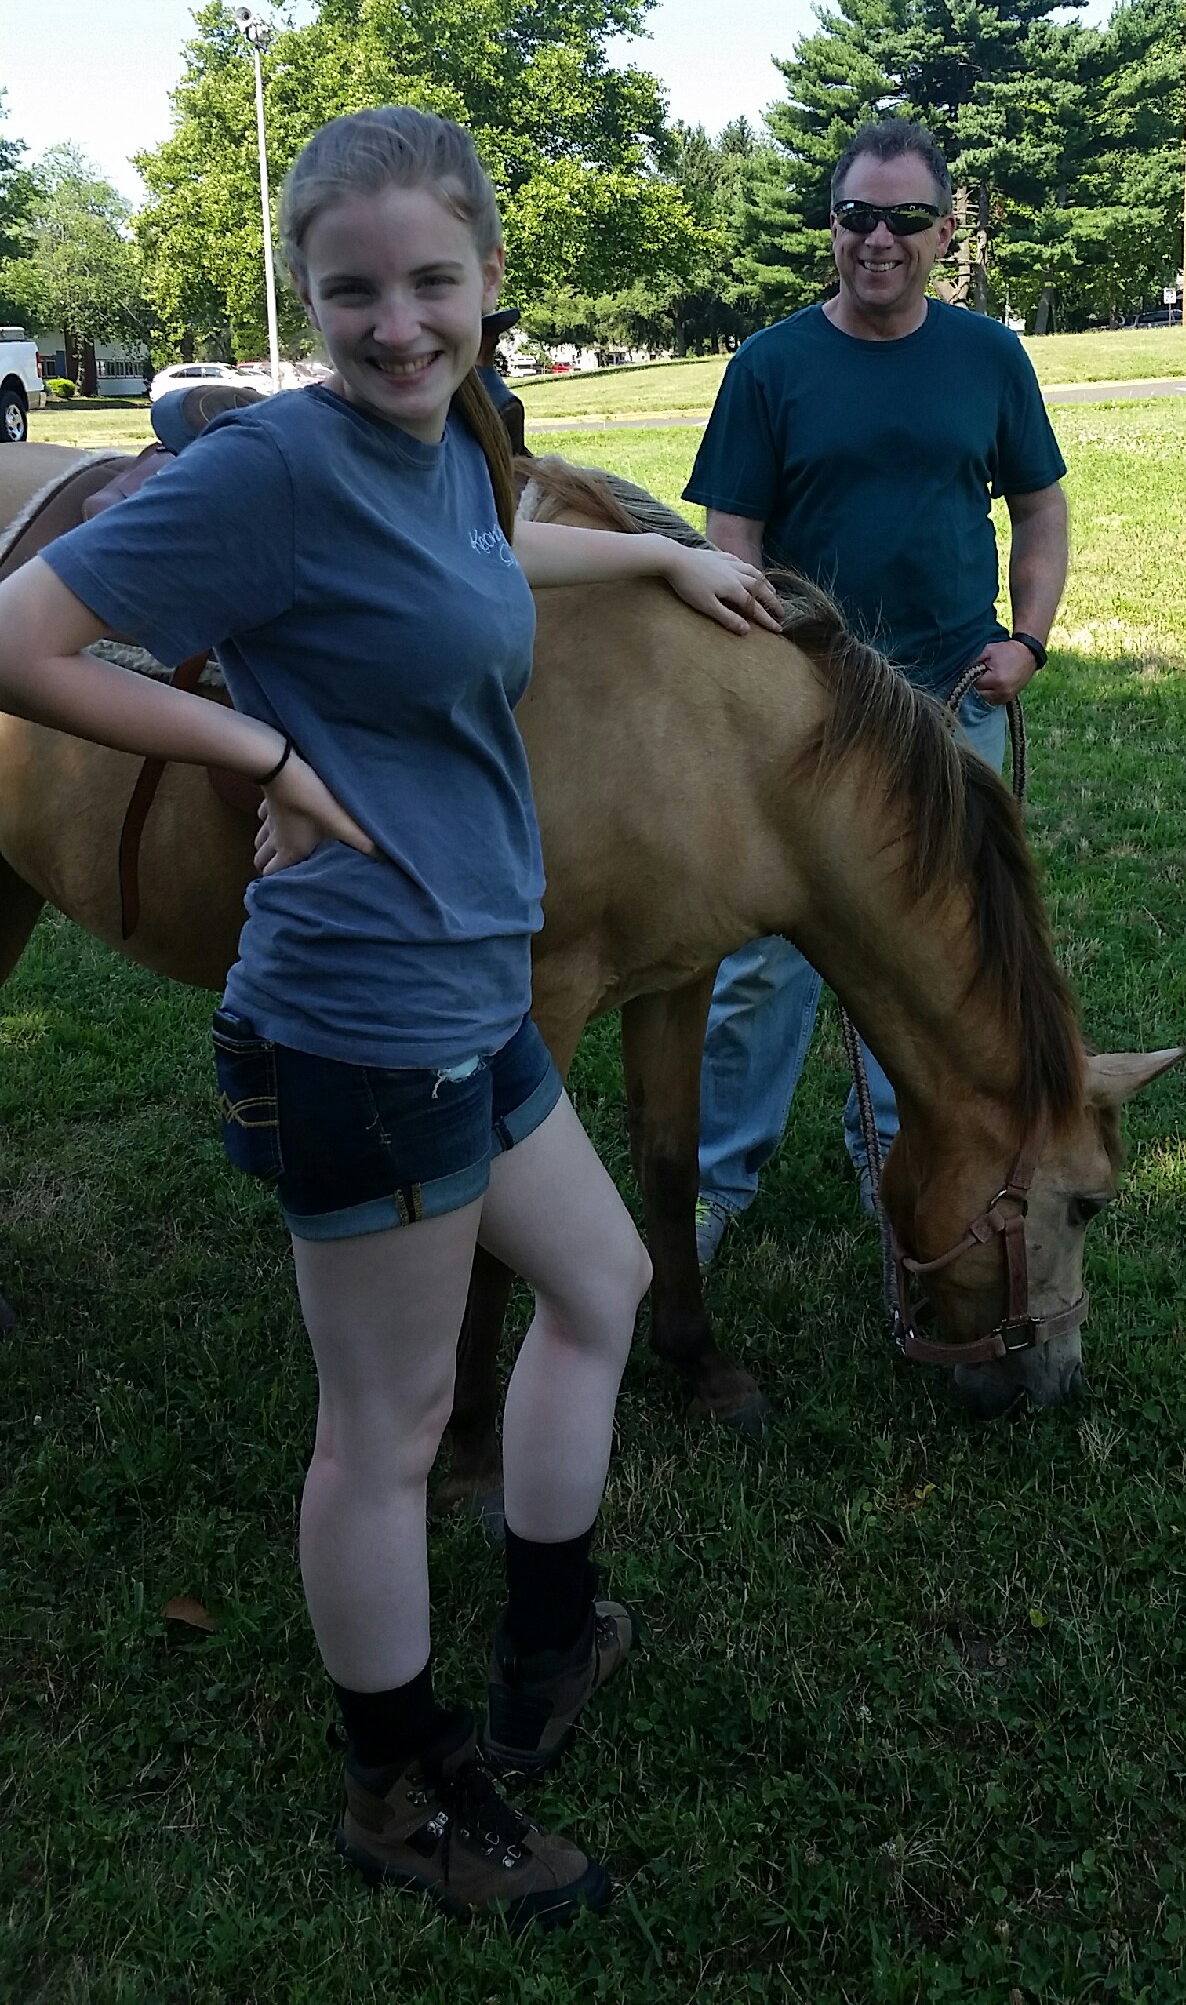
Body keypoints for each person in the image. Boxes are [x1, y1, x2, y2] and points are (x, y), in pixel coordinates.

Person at [0, 107, 781, 1930]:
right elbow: (18, 639)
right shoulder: (274, 469)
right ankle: (396, 1785)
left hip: (471, 987)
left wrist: (659, 561)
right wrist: (263, 750)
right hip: (358, 1016)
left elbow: (485, 559)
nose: (397, 323)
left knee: (602, 1285)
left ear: (490, 281)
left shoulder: (453, 441)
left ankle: (548, 1638)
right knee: (387, 1429)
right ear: (308, 296)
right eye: (353, 293)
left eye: (434, 283)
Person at [682, 116, 1069, 1266]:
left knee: (934, 953)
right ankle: (714, 1184)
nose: (880, 238)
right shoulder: (770, 366)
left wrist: (1029, 640)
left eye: (906, 217)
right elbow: (732, 533)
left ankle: (898, 1161)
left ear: (945, 232)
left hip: (953, 702)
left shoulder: (989, 357)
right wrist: (761, 662)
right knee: (764, 962)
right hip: (813, 716)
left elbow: (1039, 505)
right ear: (832, 226)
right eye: (858, 215)